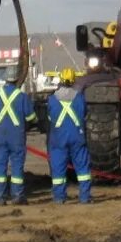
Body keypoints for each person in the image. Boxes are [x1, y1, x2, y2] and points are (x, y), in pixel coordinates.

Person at [0, 64, 37, 205]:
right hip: (16, 136)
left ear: (5, 78)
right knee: (17, 166)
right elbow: (32, 118)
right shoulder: (22, 97)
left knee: (0, 166)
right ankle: (17, 195)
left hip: (0, 136)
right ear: (17, 79)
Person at [47, 67, 92, 204]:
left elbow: (50, 118)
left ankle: (59, 198)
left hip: (58, 139)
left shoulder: (52, 99)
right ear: (73, 80)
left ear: (61, 80)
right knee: (83, 169)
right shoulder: (79, 98)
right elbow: (84, 114)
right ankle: (85, 197)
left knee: (58, 169)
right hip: (77, 137)